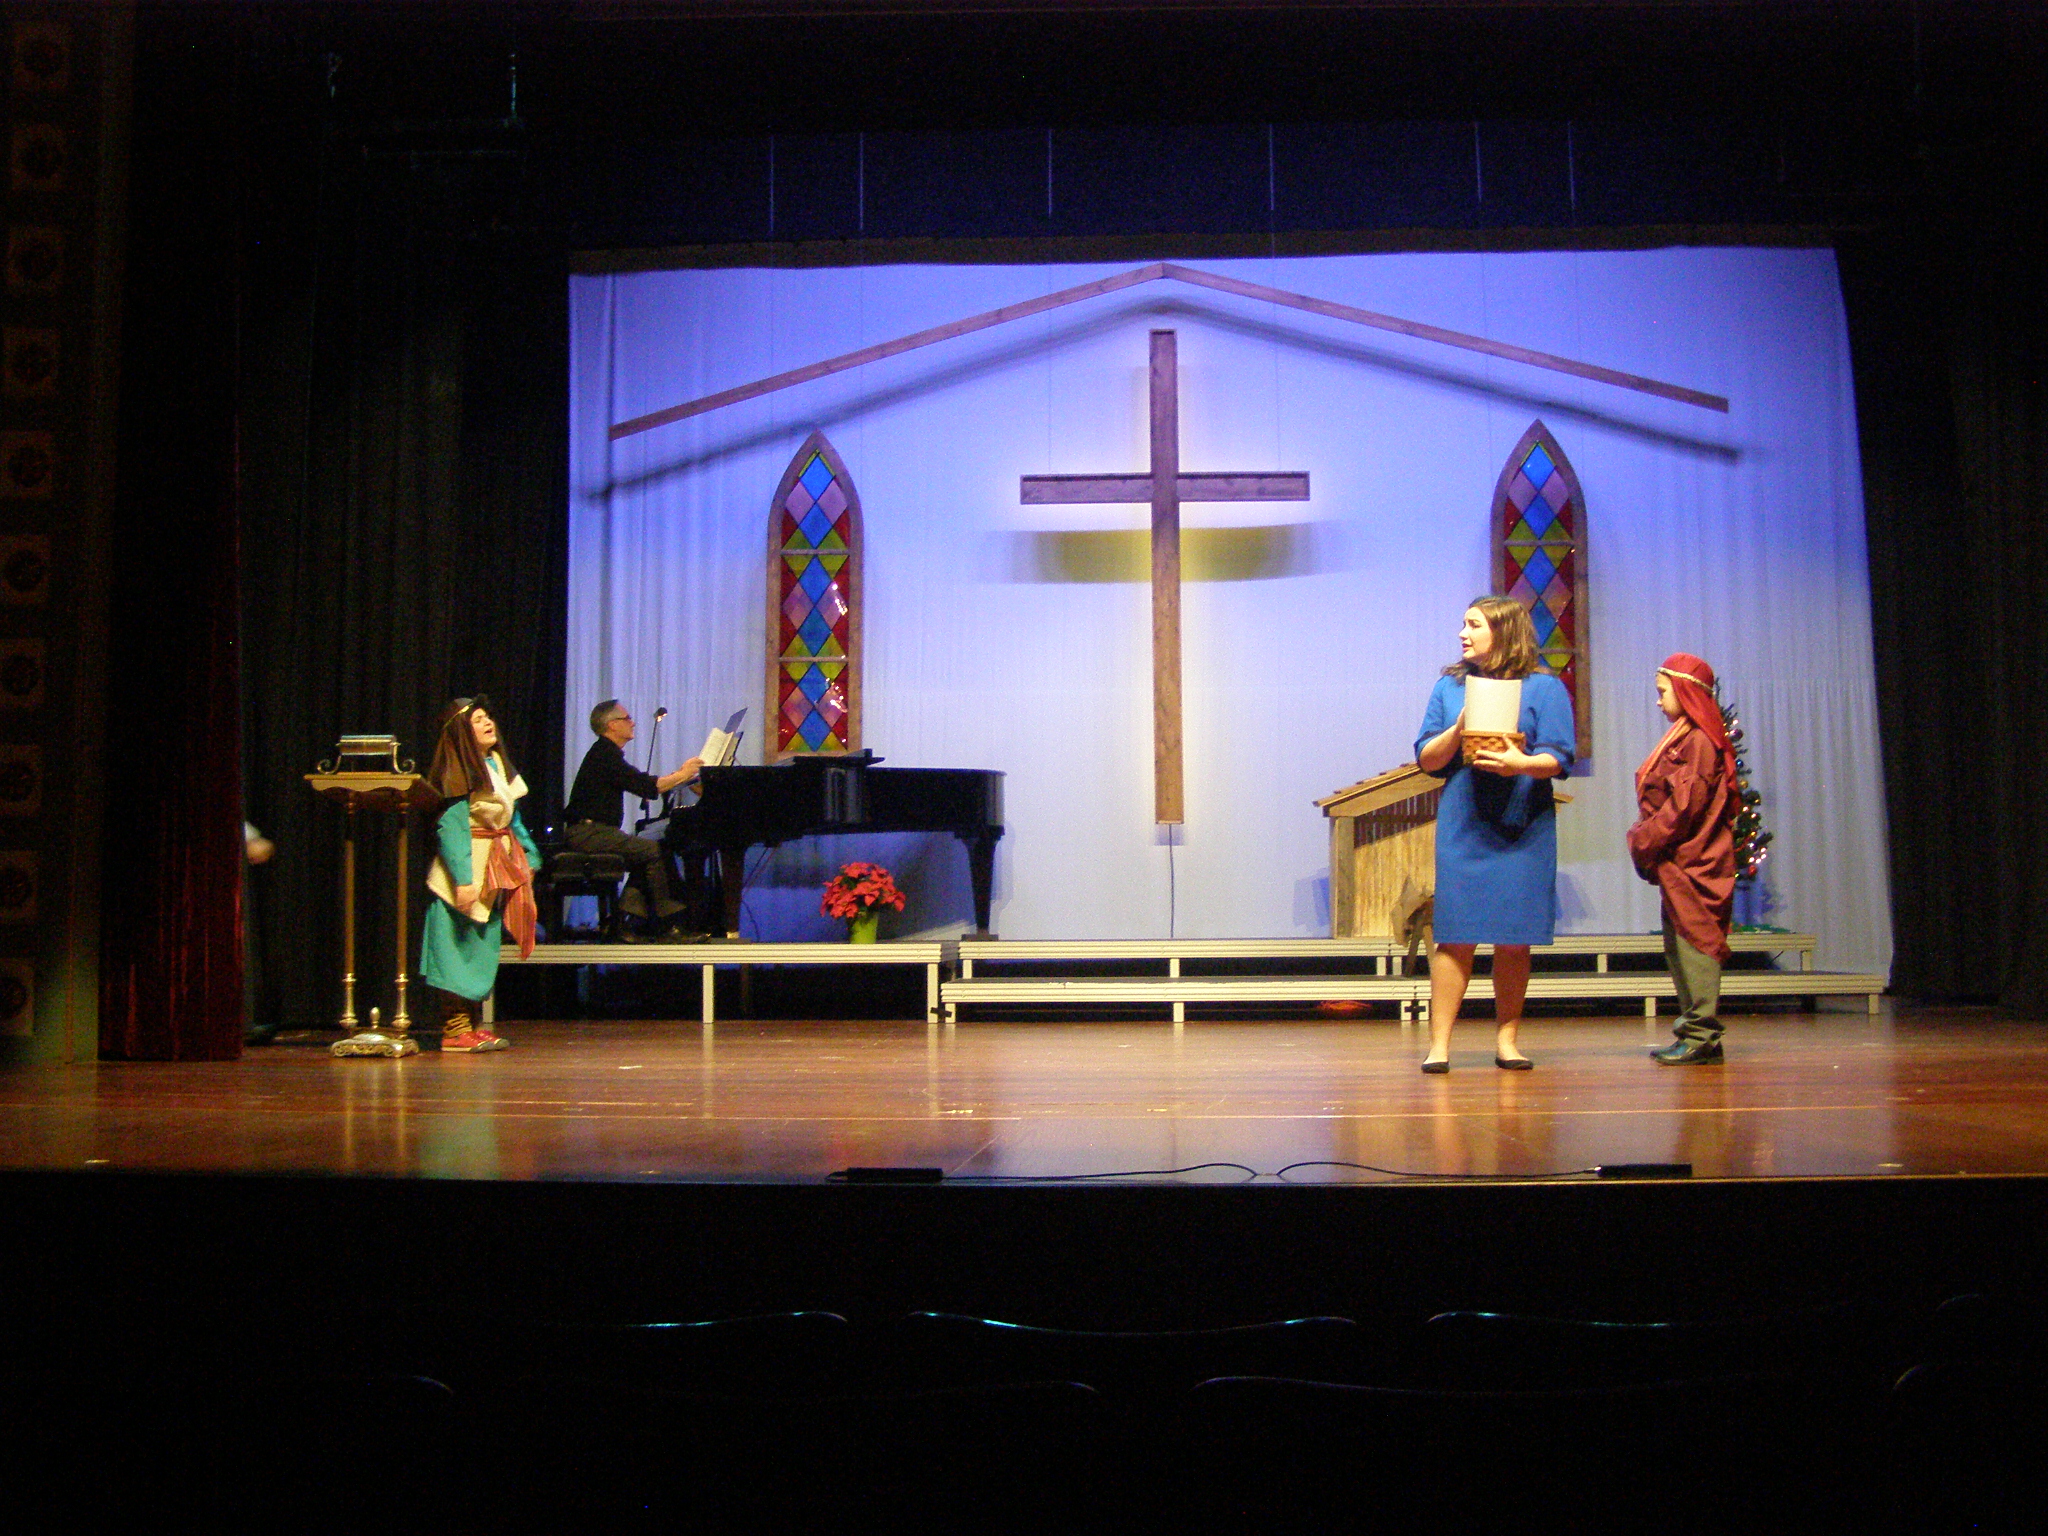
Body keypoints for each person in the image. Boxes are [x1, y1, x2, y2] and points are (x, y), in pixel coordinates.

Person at [1413, 596, 1576, 1072]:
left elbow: (1558, 756)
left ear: (1502, 631)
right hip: (1465, 821)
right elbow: (1426, 758)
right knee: (1455, 935)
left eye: (1473, 625)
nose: (1462, 634)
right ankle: (1439, 1046)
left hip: (1521, 823)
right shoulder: (1450, 687)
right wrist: (1459, 729)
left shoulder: (1544, 688)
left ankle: (1507, 1041)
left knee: (1514, 937)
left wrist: (1519, 764)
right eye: (1464, 624)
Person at [1628, 653, 1739, 1065]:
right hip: (1677, 861)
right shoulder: (1686, 736)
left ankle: (1701, 1034)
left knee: (1695, 944)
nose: (1658, 701)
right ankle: (1697, 1034)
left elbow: (1684, 807)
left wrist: (1643, 839)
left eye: (1663, 692)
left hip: (1695, 862)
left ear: (1686, 691)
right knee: (1680, 947)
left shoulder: (1698, 742)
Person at [420, 696, 539, 1053]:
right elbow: (452, 827)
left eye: (489, 716)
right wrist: (462, 880)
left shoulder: (496, 764)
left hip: (493, 868)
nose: (488, 723)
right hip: (467, 867)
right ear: (461, 731)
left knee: (480, 948)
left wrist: (528, 856)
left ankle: (471, 1024)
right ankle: (454, 1029)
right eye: (478, 720)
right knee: (455, 949)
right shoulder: (456, 770)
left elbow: (512, 818)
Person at [563, 700, 704, 939]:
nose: (633, 722)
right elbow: (647, 786)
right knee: (652, 851)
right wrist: (683, 774)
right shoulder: (604, 755)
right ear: (612, 725)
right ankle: (668, 925)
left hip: (594, 832)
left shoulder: (606, 753)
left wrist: (680, 775)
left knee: (647, 852)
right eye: (627, 718)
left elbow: (644, 783)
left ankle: (623, 922)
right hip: (587, 833)